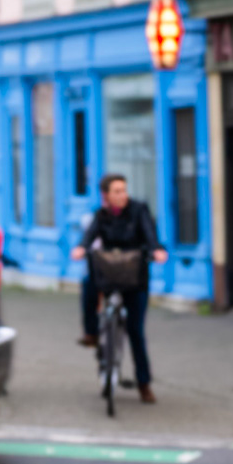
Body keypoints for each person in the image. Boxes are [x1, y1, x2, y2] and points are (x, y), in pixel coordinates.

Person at [71, 173, 166, 403]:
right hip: (110, 271)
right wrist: (81, 248)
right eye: (117, 191)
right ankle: (91, 332)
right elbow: (90, 235)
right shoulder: (101, 215)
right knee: (88, 283)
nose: (122, 195)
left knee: (135, 331)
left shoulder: (139, 210)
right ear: (106, 196)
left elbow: (150, 234)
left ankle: (144, 383)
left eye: (124, 190)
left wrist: (156, 250)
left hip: (134, 275)